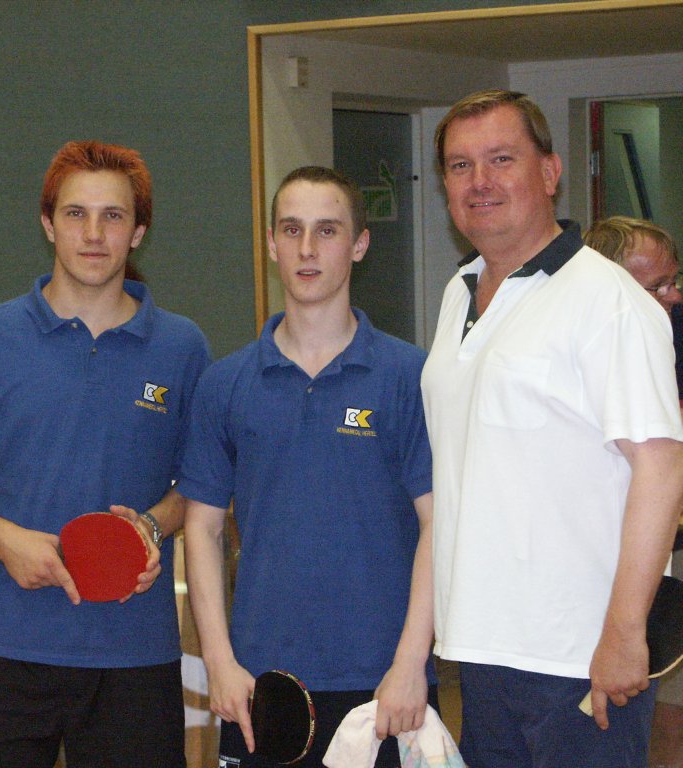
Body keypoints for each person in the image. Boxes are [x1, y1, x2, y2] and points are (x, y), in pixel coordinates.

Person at [0, 140, 211, 768]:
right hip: (4, 642)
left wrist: (152, 527)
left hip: (133, 652)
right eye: (76, 214)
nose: (94, 234)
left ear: (138, 232)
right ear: (48, 223)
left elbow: (199, 484)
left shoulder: (183, 347)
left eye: (114, 216)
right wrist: (3, 541)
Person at [421, 89, 683, 768]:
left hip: (580, 658)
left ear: (550, 171)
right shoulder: (459, 292)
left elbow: (661, 469)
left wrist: (624, 632)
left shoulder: (609, 301)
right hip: (480, 648)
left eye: (501, 159)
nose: (480, 181)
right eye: (460, 165)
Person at [178, 166, 435, 768]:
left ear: (359, 244)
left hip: (382, 684)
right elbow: (203, 529)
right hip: (261, 684)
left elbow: (438, 525)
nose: (308, 249)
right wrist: (219, 661)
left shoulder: (410, 377)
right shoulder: (225, 383)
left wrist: (410, 662)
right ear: (272, 243)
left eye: (327, 230)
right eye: (292, 230)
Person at [584, 215, 683, 768]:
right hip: (588, 604)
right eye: (658, 286)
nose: (674, 297)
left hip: (645, 593)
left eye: (673, 281)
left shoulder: (660, 340)